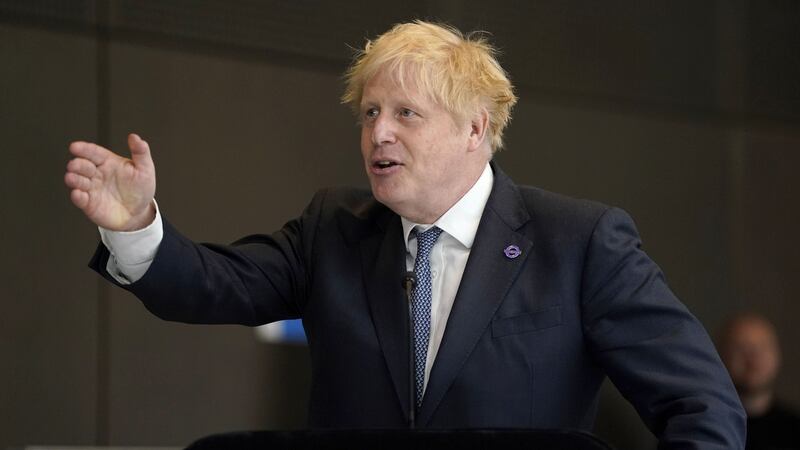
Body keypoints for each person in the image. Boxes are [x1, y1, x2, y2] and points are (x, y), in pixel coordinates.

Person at [64, 20, 745, 448]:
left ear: (476, 128)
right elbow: (213, 287)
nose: (378, 133)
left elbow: (704, 407)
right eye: (369, 113)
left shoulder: (579, 241)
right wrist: (138, 229)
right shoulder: (334, 228)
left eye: (406, 113)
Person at [719, 313, 800, 449]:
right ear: (722, 356)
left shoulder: (795, 429)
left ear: (777, 355)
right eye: (741, 348)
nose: (753, 359)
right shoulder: (710, 424)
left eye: (762, 347)